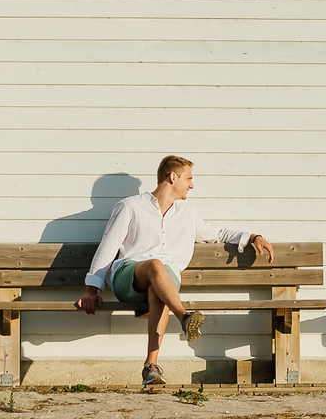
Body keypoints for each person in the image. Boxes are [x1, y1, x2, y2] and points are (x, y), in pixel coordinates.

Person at [78, 155, 276, 386]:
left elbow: (217, 234)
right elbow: (108, 247)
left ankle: (150, 366)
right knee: (155, 265)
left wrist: (253, 236)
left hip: (164, 281)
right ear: (173, 177)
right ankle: (184, 316)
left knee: (160, 286)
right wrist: (91, 290)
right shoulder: (130, 206)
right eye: (189, 178)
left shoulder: (186, 214)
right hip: (129, 276)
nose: (192, 185)